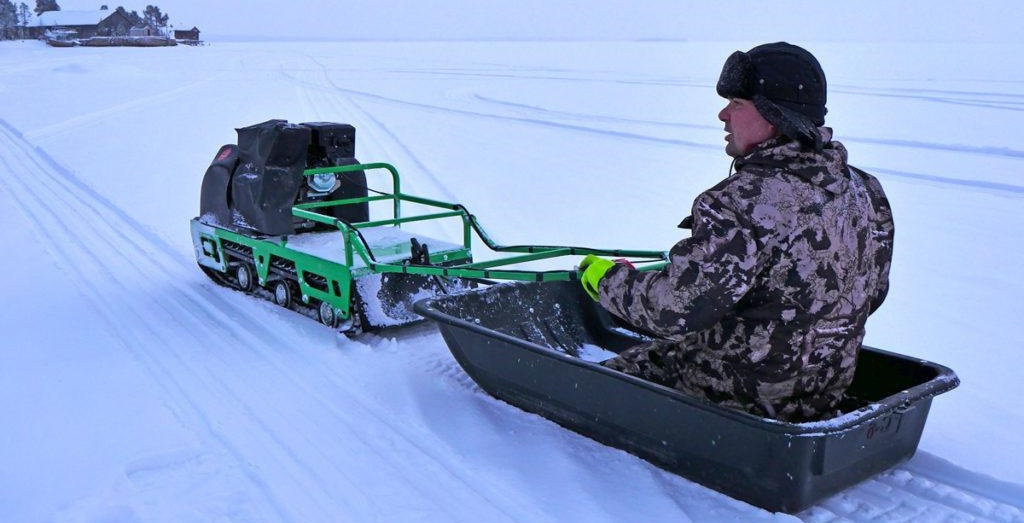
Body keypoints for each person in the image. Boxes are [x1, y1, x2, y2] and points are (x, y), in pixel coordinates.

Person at [578, 42, 894, 422]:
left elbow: (674, 310)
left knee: (588, 387)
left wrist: (608, 280)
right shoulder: (864, 189)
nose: (723, 115)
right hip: (823, 392)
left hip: (733, 399)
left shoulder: (741, 203)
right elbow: (872, 294)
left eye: (738, 105)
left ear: (775, 117)